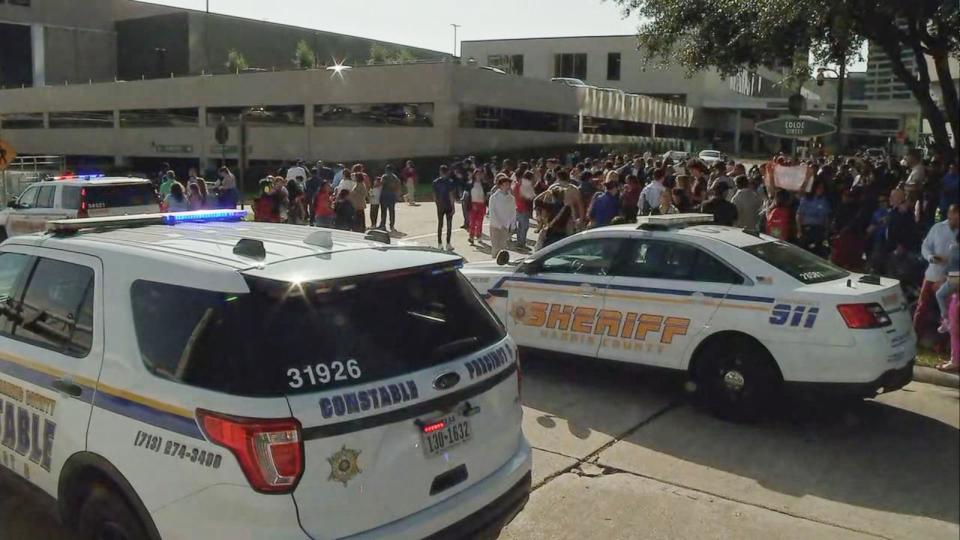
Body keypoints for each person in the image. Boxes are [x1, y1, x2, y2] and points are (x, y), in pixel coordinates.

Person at [915, 204, 960, 347]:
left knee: (947, 312)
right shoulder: (938, 228)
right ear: (949, 215)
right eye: (954, 217)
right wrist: (931, 257)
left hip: (951, 278)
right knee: (922, 308)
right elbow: (925, 246)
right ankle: (914, 337)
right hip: (933, 274)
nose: (956, 220)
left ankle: (942, 345)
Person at [796, 180, 832, 257]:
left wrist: (826, 231)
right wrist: (799, 231)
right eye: (819, 188)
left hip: (818, 230)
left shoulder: (824, 201)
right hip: (807, 229)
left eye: (822, 188)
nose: (821, 190)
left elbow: (826, 217)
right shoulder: (806, 200)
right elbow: (799, 215)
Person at [488, 177, 517, 258]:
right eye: (505, 184)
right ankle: (494, 261)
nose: (507, 186)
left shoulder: (511, 198)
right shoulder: (494, 197)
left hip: (505, 226)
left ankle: (501, 262)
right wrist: (498, 224)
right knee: (495, 247)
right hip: (495, 226)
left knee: (503, 247)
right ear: (500, 186)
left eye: (508, 184)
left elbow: (513, 213)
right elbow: (492, 212)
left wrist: (513, 226)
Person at [433, 165, 457, 251]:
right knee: (449, 225)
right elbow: (451, 196)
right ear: (447, 172)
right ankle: (448, 243)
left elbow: (435, 196)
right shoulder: (450, 182)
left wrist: (437, 205)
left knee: (440, 224)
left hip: (440, 205)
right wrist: (453, 207)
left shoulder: (435, 182)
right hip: (448, 205)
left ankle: (439, 243)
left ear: (440, 172)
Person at [513, 170, 536, 250]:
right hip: (523, 208)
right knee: (524, 226)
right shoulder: (523, 186)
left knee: (521, 226)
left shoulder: (517, 185)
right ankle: (521, 243)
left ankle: (520, 242)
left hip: (518, 207)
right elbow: (525, 196)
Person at [467, 169, 488, 245]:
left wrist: (486, 201)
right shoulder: (470, 184)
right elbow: (467, 195)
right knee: (472, 222)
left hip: (481, 204)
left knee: (479, 222)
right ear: (474, 175)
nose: (478, 176)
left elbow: (486, 194)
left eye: (480, 174)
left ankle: (479, 235)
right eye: (477, 174)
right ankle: (471, 237)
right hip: (473, 204)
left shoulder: (484, 184)